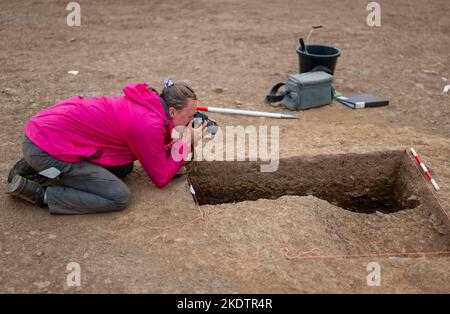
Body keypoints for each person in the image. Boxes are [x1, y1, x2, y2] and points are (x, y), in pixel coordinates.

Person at [6, 80, 206, 214]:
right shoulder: (148, 125)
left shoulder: (150, 106)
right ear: (172, 111)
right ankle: (41, 193)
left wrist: (178, 142)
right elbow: (161, 178)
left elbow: (152, 147)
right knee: (118, 197)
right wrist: (185, 144)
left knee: (123, 167)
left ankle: (38, 166)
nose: (191, 120)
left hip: (44, 134)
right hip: (44, 147)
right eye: (189, 116)